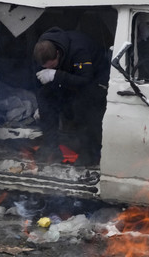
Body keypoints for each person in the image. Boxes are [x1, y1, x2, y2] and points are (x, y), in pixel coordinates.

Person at [33, 27, 110, 166]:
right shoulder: (41, 49)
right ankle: (51, 147)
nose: (50, 69)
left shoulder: (79, 50)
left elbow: (85, 80)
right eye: (46, 68)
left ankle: (89, 154)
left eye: (53, 66)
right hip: (67, 77)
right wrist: (42, 108)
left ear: (58, 53)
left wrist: (56, 75)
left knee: (83, 106)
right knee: (44, 96)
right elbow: (42, 82)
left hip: (95, 79)